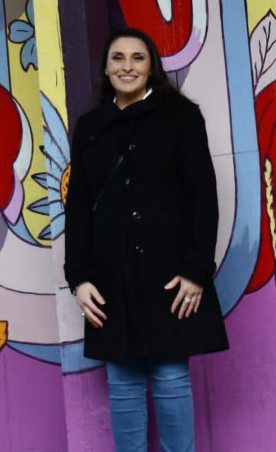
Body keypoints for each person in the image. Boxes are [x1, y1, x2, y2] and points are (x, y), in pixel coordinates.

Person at [64, 27, 228, 452]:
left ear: (151, 66)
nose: (127, 66)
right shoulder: (90, 128)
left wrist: (196, 270)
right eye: (117, 58)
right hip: (109, 273)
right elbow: (78, 206)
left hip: (170, 272)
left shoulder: (181, 117)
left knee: (170, 377)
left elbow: (203, 196)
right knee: (122, 381)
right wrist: (79, 278)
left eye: (137, 58)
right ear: (105, 68)